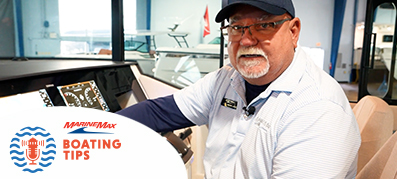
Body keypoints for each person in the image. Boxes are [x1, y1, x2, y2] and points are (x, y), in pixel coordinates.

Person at [117, 0, 361, 178]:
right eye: (236, 27)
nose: (246, 40)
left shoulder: (317, 108)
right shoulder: (227, 79)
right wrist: (87, 126)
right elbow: (159, 113)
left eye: (263, 25)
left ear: (293, 31)